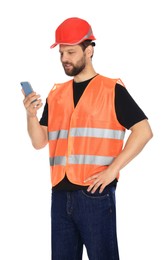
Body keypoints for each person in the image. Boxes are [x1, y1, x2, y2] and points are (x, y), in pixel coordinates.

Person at [22, 17, 153, 260]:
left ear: (89, 50)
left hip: (95, 193)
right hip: (60, 194)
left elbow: (144, 131)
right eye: (61, 53)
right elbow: (40, 142)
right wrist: (31, 115)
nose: (64, 59)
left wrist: (113, 170)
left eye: (71, 52)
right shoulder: (56, 94)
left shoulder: (111, 89)